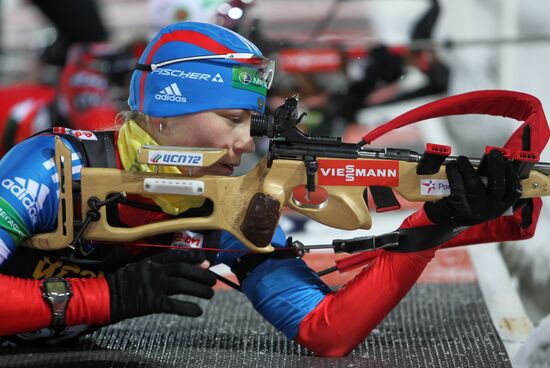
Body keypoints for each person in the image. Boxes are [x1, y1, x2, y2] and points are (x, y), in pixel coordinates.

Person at [0, 21, 542, 356]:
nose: (244, 144)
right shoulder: (48, 169)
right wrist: (104, 299)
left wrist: (435, 224)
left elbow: (326, 332)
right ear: (164, 115)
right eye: (233, 118)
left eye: (252, 125)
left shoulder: (224, 209)